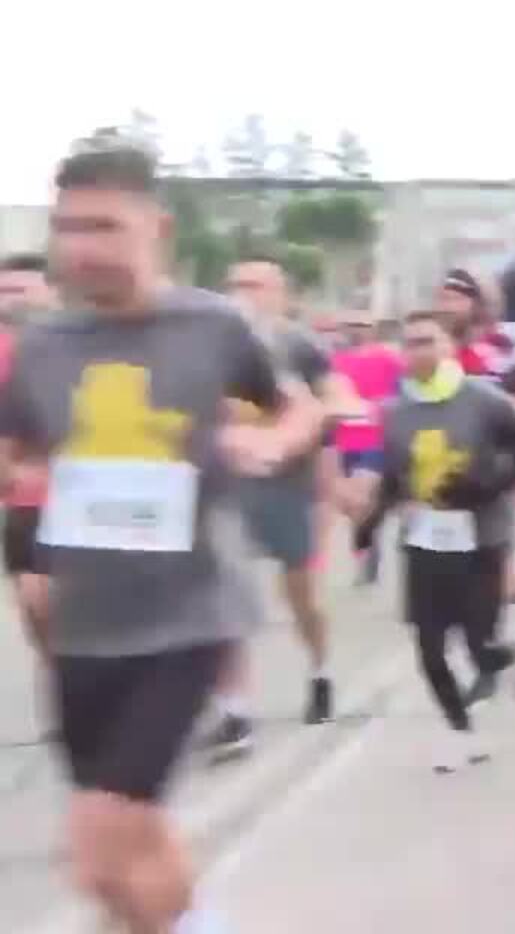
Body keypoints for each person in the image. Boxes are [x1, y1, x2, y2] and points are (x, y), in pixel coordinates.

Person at [0, 146, 322, 932]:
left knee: (99, 839)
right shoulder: (43, 346)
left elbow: (300, 407)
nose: (82, 248)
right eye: (68, 228)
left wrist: (271, 444)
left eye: (105, 227)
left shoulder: (215, 326)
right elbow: (17, 448)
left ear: (158, 229)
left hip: (187, 615)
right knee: (124, 853)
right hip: (84, 624)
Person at [341, 311, 515, 771]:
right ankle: (460, 731)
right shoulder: (396, 412)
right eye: (409, 343)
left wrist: (485, 485)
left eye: (427, 340)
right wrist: (371, 521)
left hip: (481, 535)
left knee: (478, 643)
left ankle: (508, 658)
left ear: (448, 345)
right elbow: (392, 475)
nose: (418, 351)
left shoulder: (485, 400)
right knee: (428, 645)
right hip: (425, 537)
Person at [203, 257, 343, 759]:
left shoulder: (300, 344)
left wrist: (302, 427)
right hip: (226, 487)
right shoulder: (210, 343)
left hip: (287, 485)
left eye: (255, 285)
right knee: (218, 596)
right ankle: (235, 710)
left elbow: (336, 402)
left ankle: (320, 669)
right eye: (235, 284)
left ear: (280, 294)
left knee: (301, 595)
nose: (243, 293)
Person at [436, 269, 515, 657]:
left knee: (488, 577)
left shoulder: (497, 351)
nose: (445, 306)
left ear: (476, 305)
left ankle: (488, 653)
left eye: (455, 299)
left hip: (494, 477)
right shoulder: (432, 350)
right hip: (441, 477)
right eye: (441, 298)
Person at [0, 253, 56, 729]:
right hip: (26, 501)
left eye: (23, 289)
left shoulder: (85, 342)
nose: (12, 299)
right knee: (35, 602)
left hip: (100, 499)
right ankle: (63, 678)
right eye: (5, 291)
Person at [331, 311, 405, 585]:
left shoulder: (388, 359)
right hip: (343, 440)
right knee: (351, 504)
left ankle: (367, 557)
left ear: (372, 329)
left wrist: (381, 406)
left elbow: (401, 393)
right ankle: (366, 546)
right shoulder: (335, 362)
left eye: (361, 325)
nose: (355, 330)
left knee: (363, 495)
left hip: (375, 439)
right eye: (350, 324)